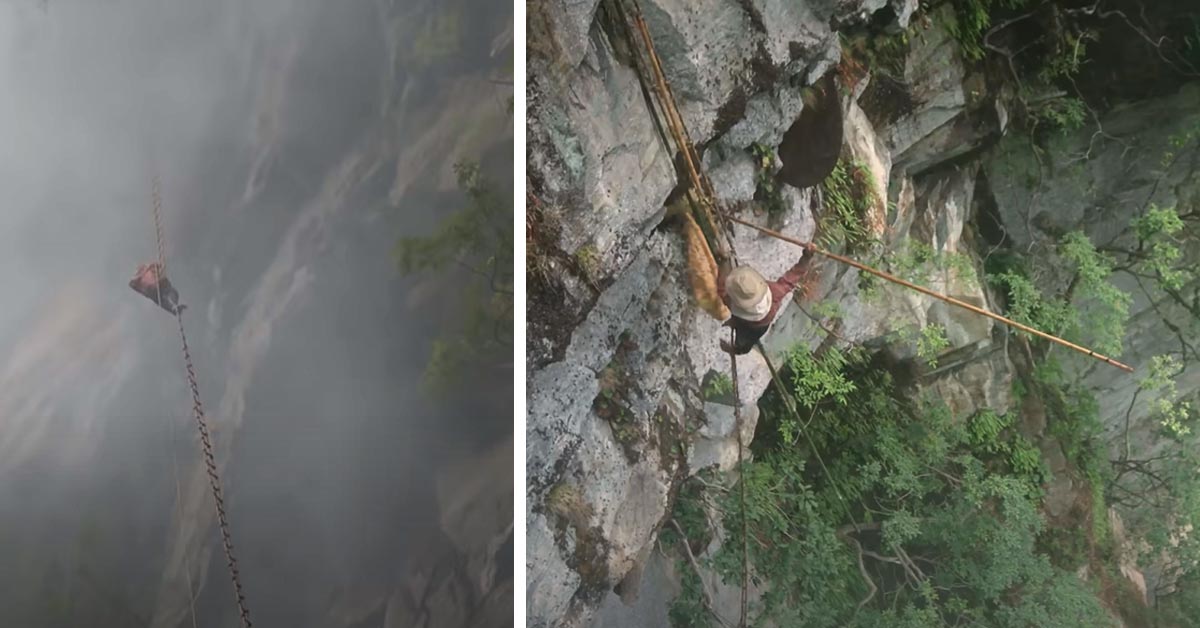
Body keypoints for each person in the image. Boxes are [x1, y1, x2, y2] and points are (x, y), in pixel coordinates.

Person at [717, 254, 814, 355]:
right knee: (744, 336)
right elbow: (792, 277)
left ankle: (737, 349)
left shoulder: (730, 303)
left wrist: (723, 262)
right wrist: (806, 257)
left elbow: (721, 290)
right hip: (759, 325)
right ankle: (735, 325)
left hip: (753, 327)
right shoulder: (775, 292)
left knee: (744, 342)